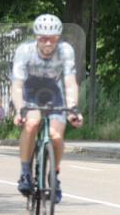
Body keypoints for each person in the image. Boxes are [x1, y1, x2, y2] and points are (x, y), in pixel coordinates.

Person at [12, 14, 83, 202]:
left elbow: (70, 83)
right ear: (37, 37)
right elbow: (17, 86)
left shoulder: (65, 51)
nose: (48, 42)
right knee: (32, 123)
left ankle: (54, 176)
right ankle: (26, 172)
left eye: (52, 38)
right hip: (30, 91)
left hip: (53, 93)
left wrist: (73, 109)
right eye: (43, 38)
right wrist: (20, 109)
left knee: (56, 136)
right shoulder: (24, 51)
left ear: (58, 38)